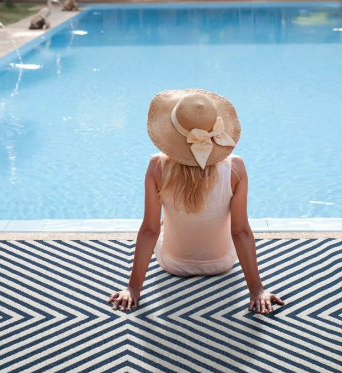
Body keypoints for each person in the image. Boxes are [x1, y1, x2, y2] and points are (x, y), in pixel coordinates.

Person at [107, 89, 285, 315]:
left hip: (173, 264)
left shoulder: (156, 167)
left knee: (159, 225)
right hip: (222, 264)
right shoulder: (235, 168)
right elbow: (240, 232)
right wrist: (257, 290)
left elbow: (150, 231)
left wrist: (133, 288)